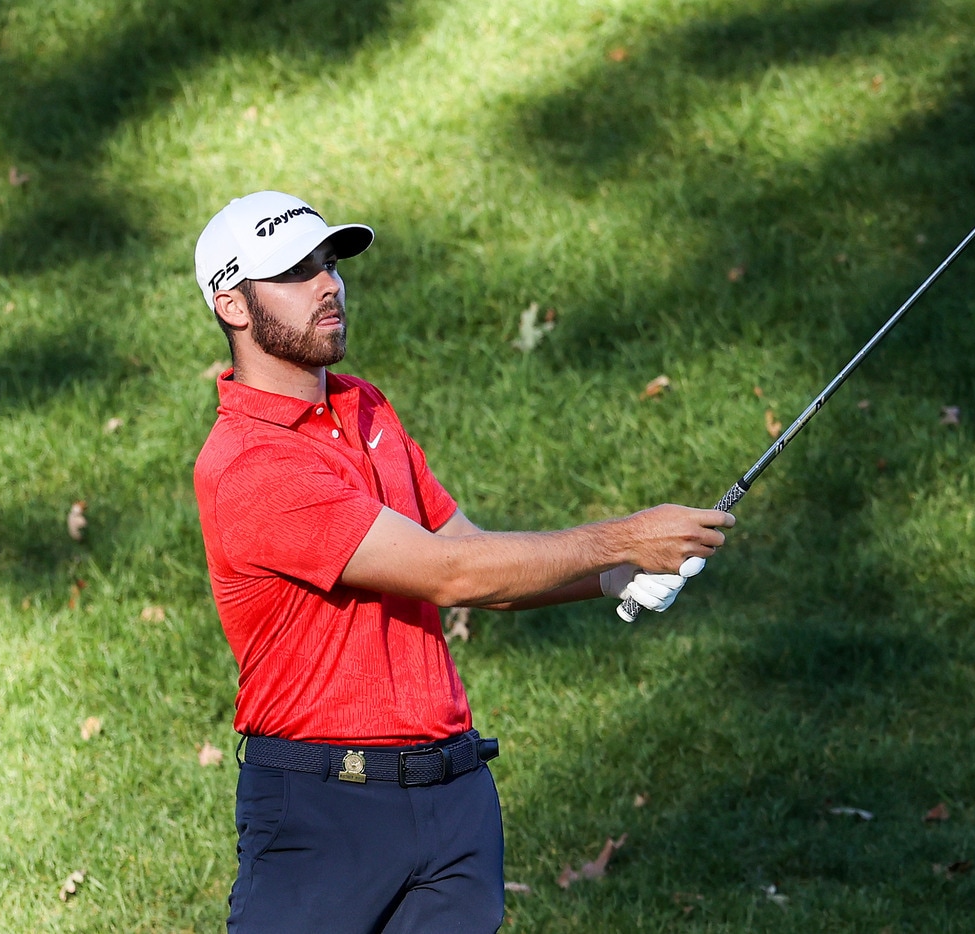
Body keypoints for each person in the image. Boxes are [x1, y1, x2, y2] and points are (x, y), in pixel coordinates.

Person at [191, 190, 734, 933]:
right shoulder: (253, 465)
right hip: (323, 816)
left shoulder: (364, 409)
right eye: (294, 271)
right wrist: (627, 536)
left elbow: (467, 557)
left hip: (454, 801)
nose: (328, 284)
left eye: (329, 262)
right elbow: (452, 576)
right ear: (232, 305)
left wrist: (615, 576)